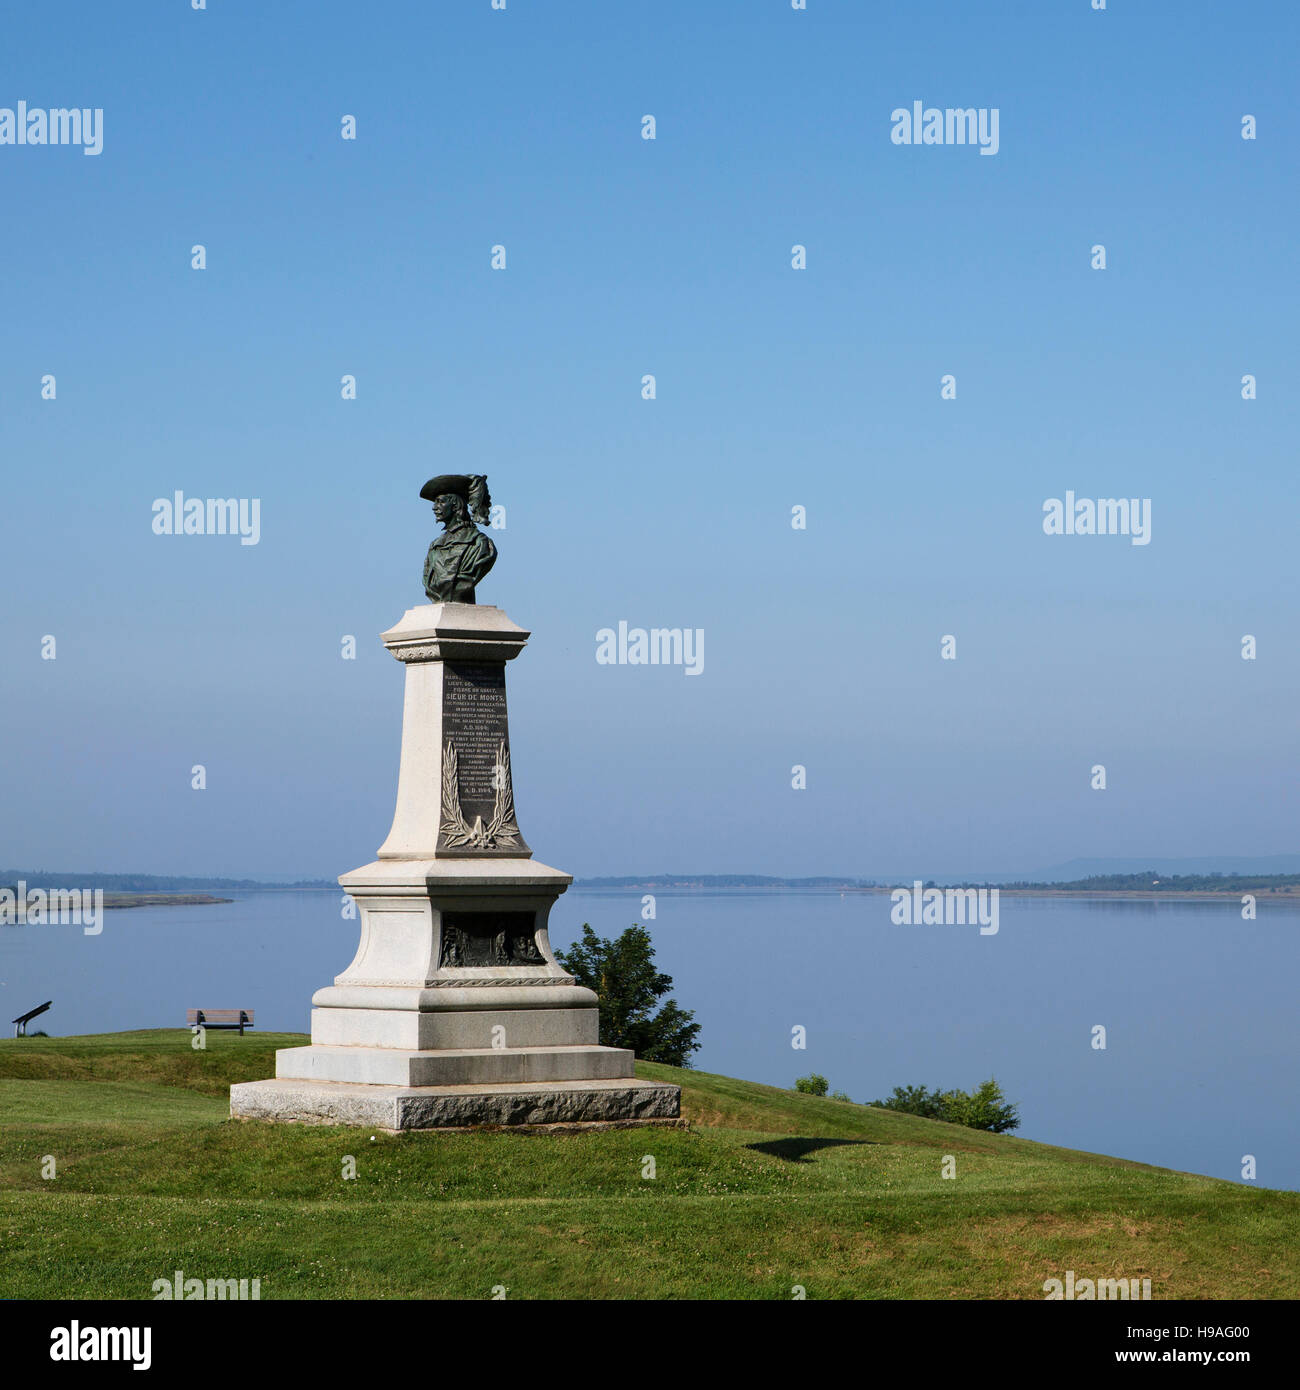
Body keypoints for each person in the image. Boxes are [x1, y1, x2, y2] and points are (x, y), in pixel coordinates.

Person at [418, 474, 497, 603]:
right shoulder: (434, 546)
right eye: (435, 502)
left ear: (455, 506)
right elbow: (429, 581)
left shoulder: (479, 543)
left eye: (440, 502)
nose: (434, 507)